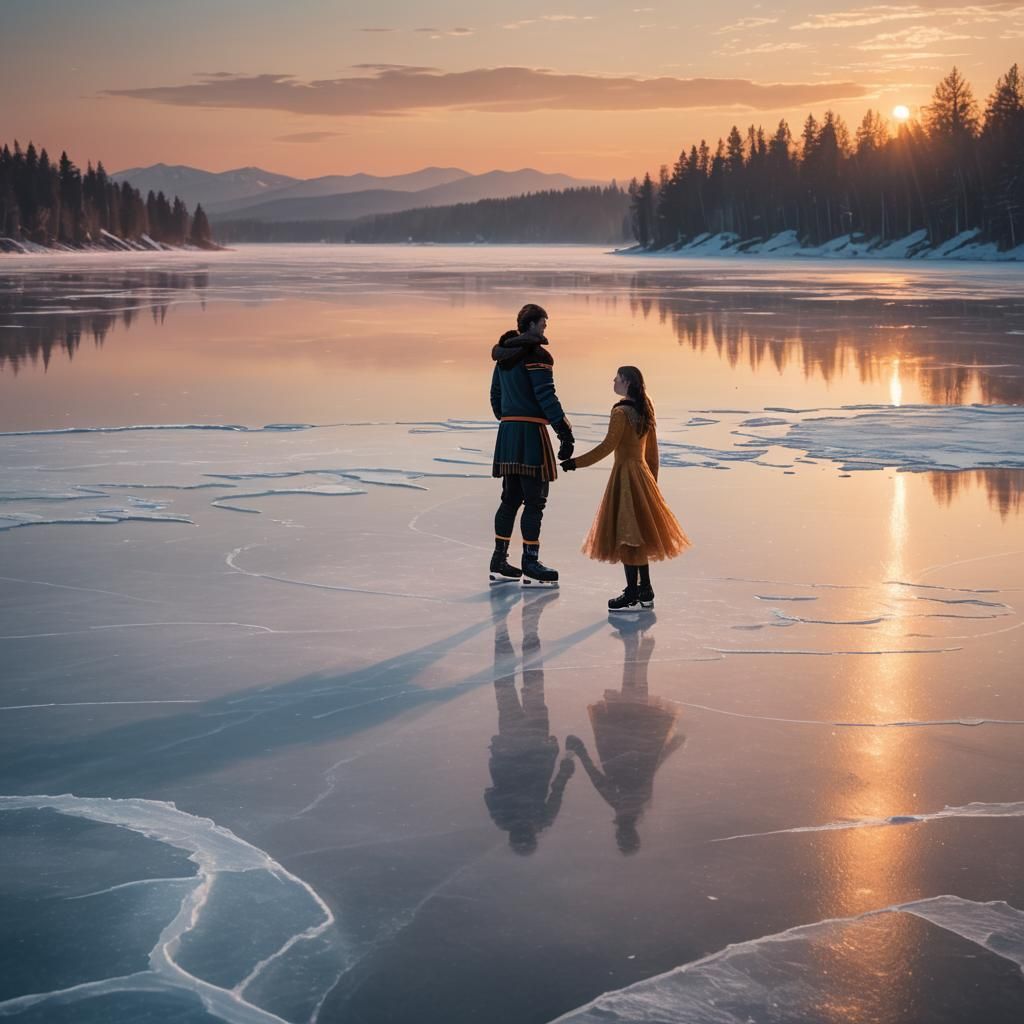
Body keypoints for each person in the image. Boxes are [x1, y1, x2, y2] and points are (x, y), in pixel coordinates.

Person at [560, 365, 690, 611]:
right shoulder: (646, 407)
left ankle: (632, 592)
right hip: (643, 477)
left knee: (627, 535)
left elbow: (607, 446)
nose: (613, 381)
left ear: (627, 383)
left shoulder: (620, 412)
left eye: (617, 378)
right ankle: (646, 589)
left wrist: (576, 463)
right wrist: (652, 483)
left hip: (625, 477)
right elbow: (652, 452)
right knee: (637, 534)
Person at [566, 615, 683, 854]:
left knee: (638, 690)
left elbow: (653, 766)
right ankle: (633, 648)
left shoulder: (640, 801)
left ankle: (640, 654)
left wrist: (670, 745)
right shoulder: (619, 803)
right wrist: (580, 751)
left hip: (641, 740)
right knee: (630, 688)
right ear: (621, 833)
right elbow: (597, 777)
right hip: (620, 738)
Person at [489, 303, 574, 587]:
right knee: (535, 501)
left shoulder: (504, 357)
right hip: (531, 434)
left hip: (508, 431)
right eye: (544, 325)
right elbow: (546, 396)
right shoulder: (537, 356)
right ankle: (530, 561)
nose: (545, 329)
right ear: (533, 324)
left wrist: (509, 417)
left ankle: (499, 558)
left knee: (510, 499)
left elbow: (495, 396)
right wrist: (564, 432)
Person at [485, 588, 575, 854]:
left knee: (533, 686)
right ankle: (504, 633)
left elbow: (557, 789)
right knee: (506, 691)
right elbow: (489, 793)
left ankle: (530, 632)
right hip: (511, 745)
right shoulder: (503, 818)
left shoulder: (542, 819)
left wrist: (566, 765)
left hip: (537, 746)